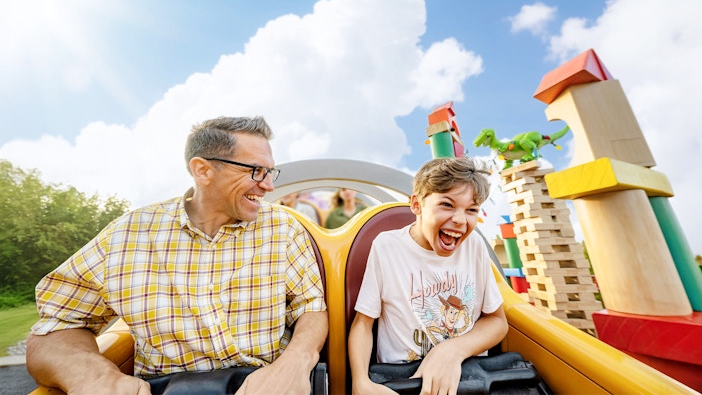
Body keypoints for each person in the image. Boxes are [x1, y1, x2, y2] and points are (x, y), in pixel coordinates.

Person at [26, 116, 328, 395]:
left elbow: (311, 308)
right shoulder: (128, 234)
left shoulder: (283, 227)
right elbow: (56, 327)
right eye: (255, 171)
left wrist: (294, 364)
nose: (269, 185)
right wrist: (97, 378)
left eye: (270, 171)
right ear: (203, 170)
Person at [348, 156, 508, 395]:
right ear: (417, 205)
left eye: (471, 210)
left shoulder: (473, 244)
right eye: (447, 204)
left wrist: (450, 351)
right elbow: (363, 322)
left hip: (468, 376)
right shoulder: (387, 247)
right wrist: (360, 381)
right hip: (407, 379)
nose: (460, 220)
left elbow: (496, 320)